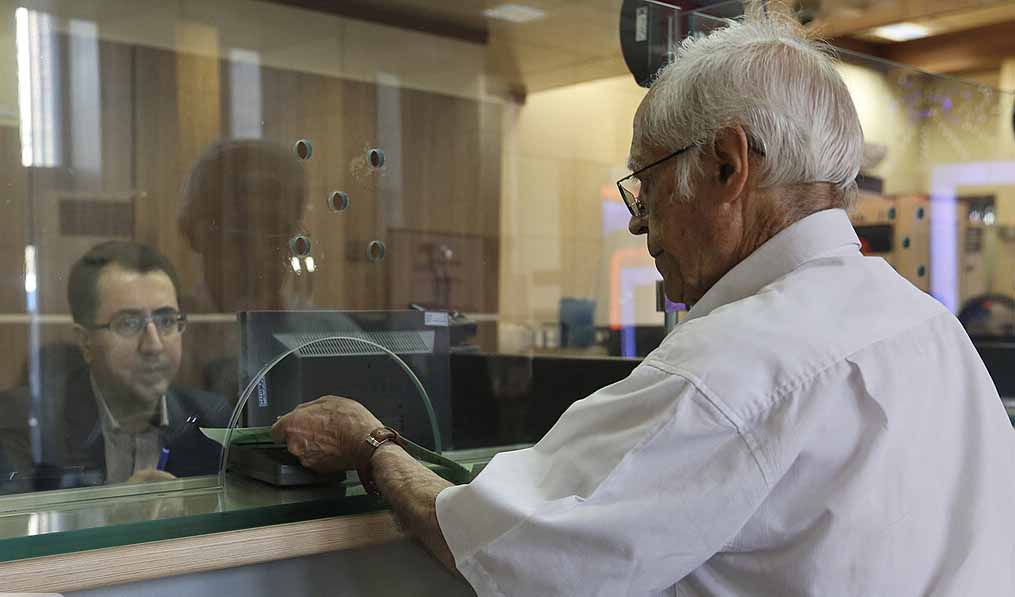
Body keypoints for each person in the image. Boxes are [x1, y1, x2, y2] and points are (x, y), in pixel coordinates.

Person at [271, 8, 1015, 596]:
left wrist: (371, 447)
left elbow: (514, 551)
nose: (636, 221)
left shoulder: (732, 366)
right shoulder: (929, 328)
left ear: (727, 166)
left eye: (647, 183)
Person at [0, 241, 230, 488]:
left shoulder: (211, 419)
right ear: (85, 342)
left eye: (166, 321)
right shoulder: (27, 421)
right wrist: (117, 508)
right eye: (128, 323)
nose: (154, 345)